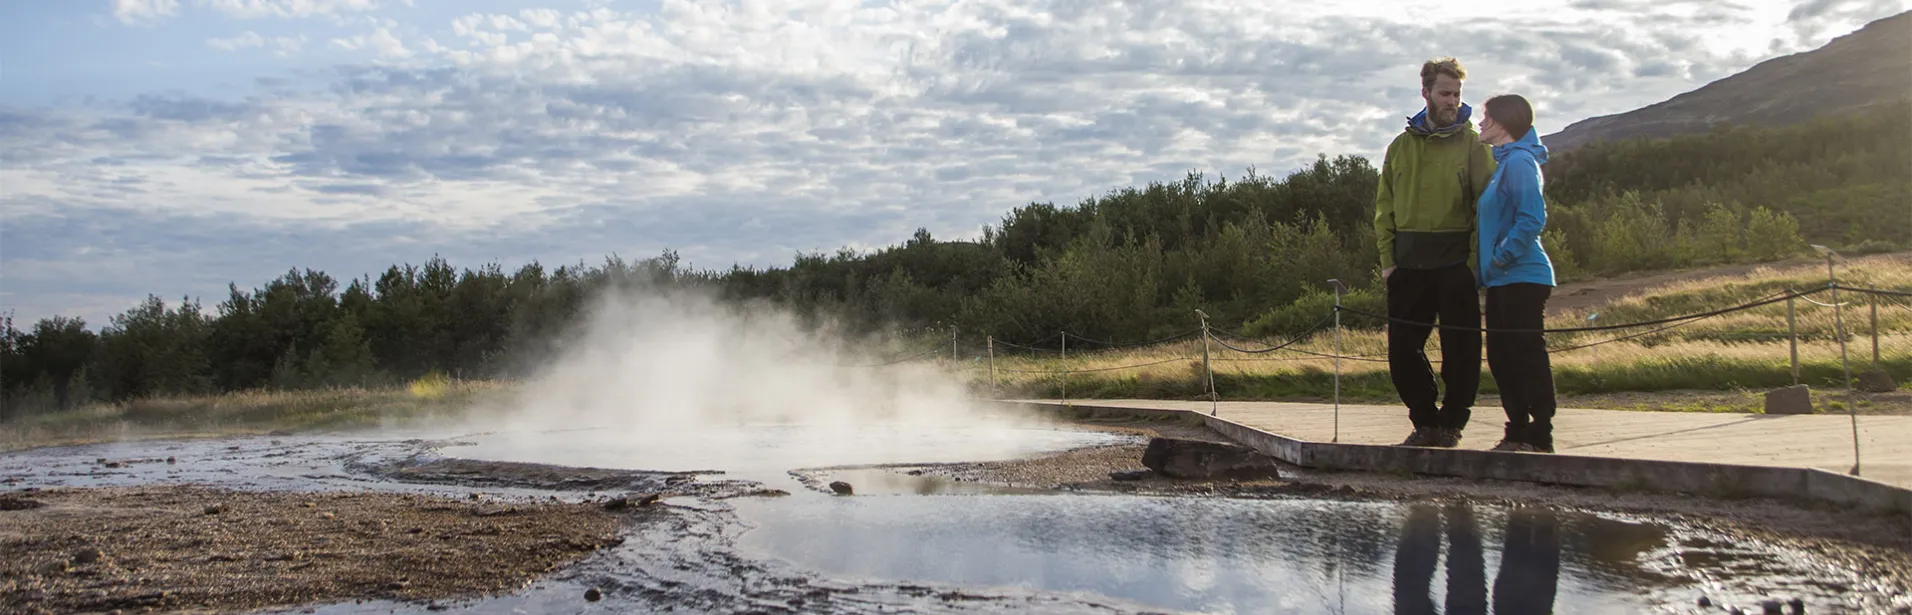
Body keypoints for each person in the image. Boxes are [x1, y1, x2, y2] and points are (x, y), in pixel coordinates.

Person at [1373, 57, 1496, 448]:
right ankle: (1424, 421)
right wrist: (1388, 263)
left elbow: (1487, 205)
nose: (1452, 102)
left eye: (1457, 94)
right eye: (1445, 93)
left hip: (1456, 263)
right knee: (1402, 349)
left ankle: (1453, 423)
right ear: (1425, 92)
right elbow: (1383, 209)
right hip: (1407, 266)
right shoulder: (1399, 147)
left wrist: (1475, 264)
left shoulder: (1475, 145)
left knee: (1461, 349)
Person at [1475, 94, 1559, 453]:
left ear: (1502, 123)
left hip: (1522, 275)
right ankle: (1517, 430)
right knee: (1502, 355)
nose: (1480, 124)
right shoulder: (1506, 164)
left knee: (1524, 353)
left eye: (1485, 117)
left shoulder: (1521, 162)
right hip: (1503, 279)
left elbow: (1532, 218)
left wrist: (1500, 258)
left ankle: (1539, 432)